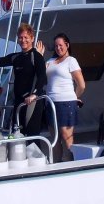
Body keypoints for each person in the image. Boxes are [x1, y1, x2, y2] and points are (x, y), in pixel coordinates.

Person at [0, 23, 47, 147]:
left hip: (33, 102)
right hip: (19, 102)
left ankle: (38, 158)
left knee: (32, 137)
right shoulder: (15, 57)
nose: (23, 40)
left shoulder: (37, 57)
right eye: (20, 37)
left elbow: (42, 78)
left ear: (32, 38)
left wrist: (34, 94)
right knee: (18, 135)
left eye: (26, 37)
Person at [37, 34, 86, 162]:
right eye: (56, 46)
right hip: (51, 104)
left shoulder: (71, 61)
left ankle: (71, 165)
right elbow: (40, 75)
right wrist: (39, 57)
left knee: (66, 137)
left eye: (61, 45)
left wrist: (74, 97)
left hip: (66, 104)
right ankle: (57, 165)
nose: (58, 48)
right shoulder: (50, 61)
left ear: (67, 45)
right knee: (55, 139)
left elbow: (81, 85)